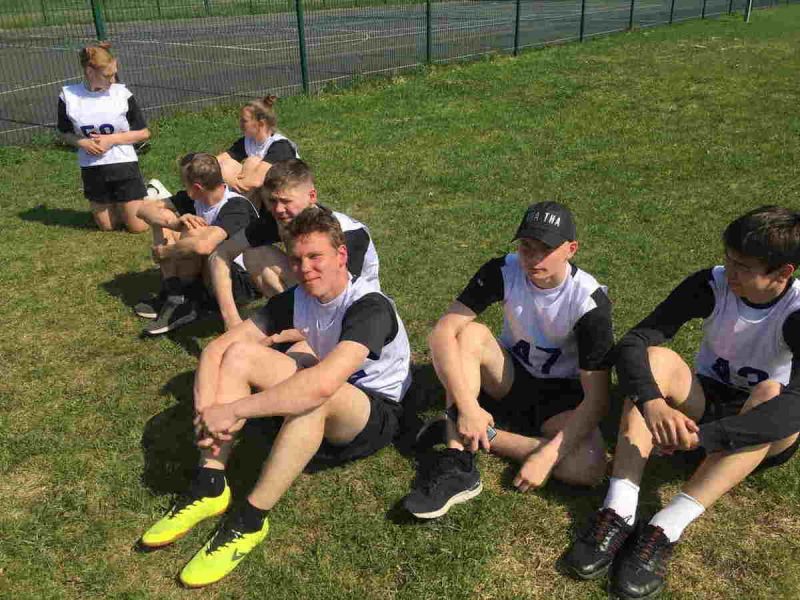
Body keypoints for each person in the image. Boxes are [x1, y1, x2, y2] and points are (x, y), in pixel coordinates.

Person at [138, 208, 412, 588]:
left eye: (315, 257)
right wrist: (206, 410)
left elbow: (321, 386)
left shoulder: (369, 306)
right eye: (296, 259)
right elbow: (219, 348)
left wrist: (232, 409)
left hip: (372, 412)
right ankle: (210, 483)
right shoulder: (298, 297)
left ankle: (250, 521)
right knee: (240, 355)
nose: (304, 269)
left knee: (315, 397)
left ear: (341, 256)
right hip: (325, 383)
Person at [562, 206, 800, 600]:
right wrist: (652, 402)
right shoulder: (713, 283)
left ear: (782, 273)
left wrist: (706, 437)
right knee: (655, 359)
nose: (729, 272)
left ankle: (665, 527)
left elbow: (793, 409)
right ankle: (619, 508)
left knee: (771, 393)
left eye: (743, 267)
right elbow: (635, 342)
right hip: (704, 404)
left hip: (759, 431)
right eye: (728, 259)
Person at [403, 201, 613, 519]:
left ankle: (475, 432)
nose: (534, 257)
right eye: (527, 246)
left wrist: (548, 456)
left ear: (571, 249)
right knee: (469, 334)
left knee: (589, 467)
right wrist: (468, 407)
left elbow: (597, 399)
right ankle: (457, 460)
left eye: (546, 249)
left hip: (561, 399)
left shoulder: (589, 303)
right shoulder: (503, 270)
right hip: (509, 376)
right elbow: (442, 333)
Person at [208, 158, 380, 330]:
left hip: (357, 310)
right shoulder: (278, 219)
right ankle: (294, 324)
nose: (278, 209)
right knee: (255, 255)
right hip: (314, 294)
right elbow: (220, 254)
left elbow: (338, 291)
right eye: (272, 201)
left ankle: (299, 329)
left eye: (286, 201)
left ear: (312, 197)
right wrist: (231, 319)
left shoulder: (348, 233)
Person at [135, 153, 259, 335]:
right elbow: (143, 209)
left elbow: (204, 246)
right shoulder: (195, 199)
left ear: (197, 187)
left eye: (184, 182)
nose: (182, 186)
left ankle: (184, 302)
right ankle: (174, 294)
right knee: (165, 217)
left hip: (239, 282)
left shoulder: (236, 206)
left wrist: (165, 251)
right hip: (209, 271)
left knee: (195, 234)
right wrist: (173, 223)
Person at [57, 42, 152, 232]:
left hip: (123, 164)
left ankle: (153, 196)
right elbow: (63, 133)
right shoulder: (68, 96)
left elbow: (144, 133)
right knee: (108, 227)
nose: (113, 79)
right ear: (90, 72)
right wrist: (82, 142)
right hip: (92, 168)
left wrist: (111, 140)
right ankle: (120, 205)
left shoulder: (122, 94)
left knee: (138, 227)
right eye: (107, 75)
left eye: (114, 73)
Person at [215, 95, 299, 200]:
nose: (240, 124)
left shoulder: (280, 146)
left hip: (288, 197)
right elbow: (215, 161)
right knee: (227, 164)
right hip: (267, 194)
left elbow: (256, 181)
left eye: (244, 121)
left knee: (252, 163)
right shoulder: (248, 141)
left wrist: (228, 180)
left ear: (260, 123)